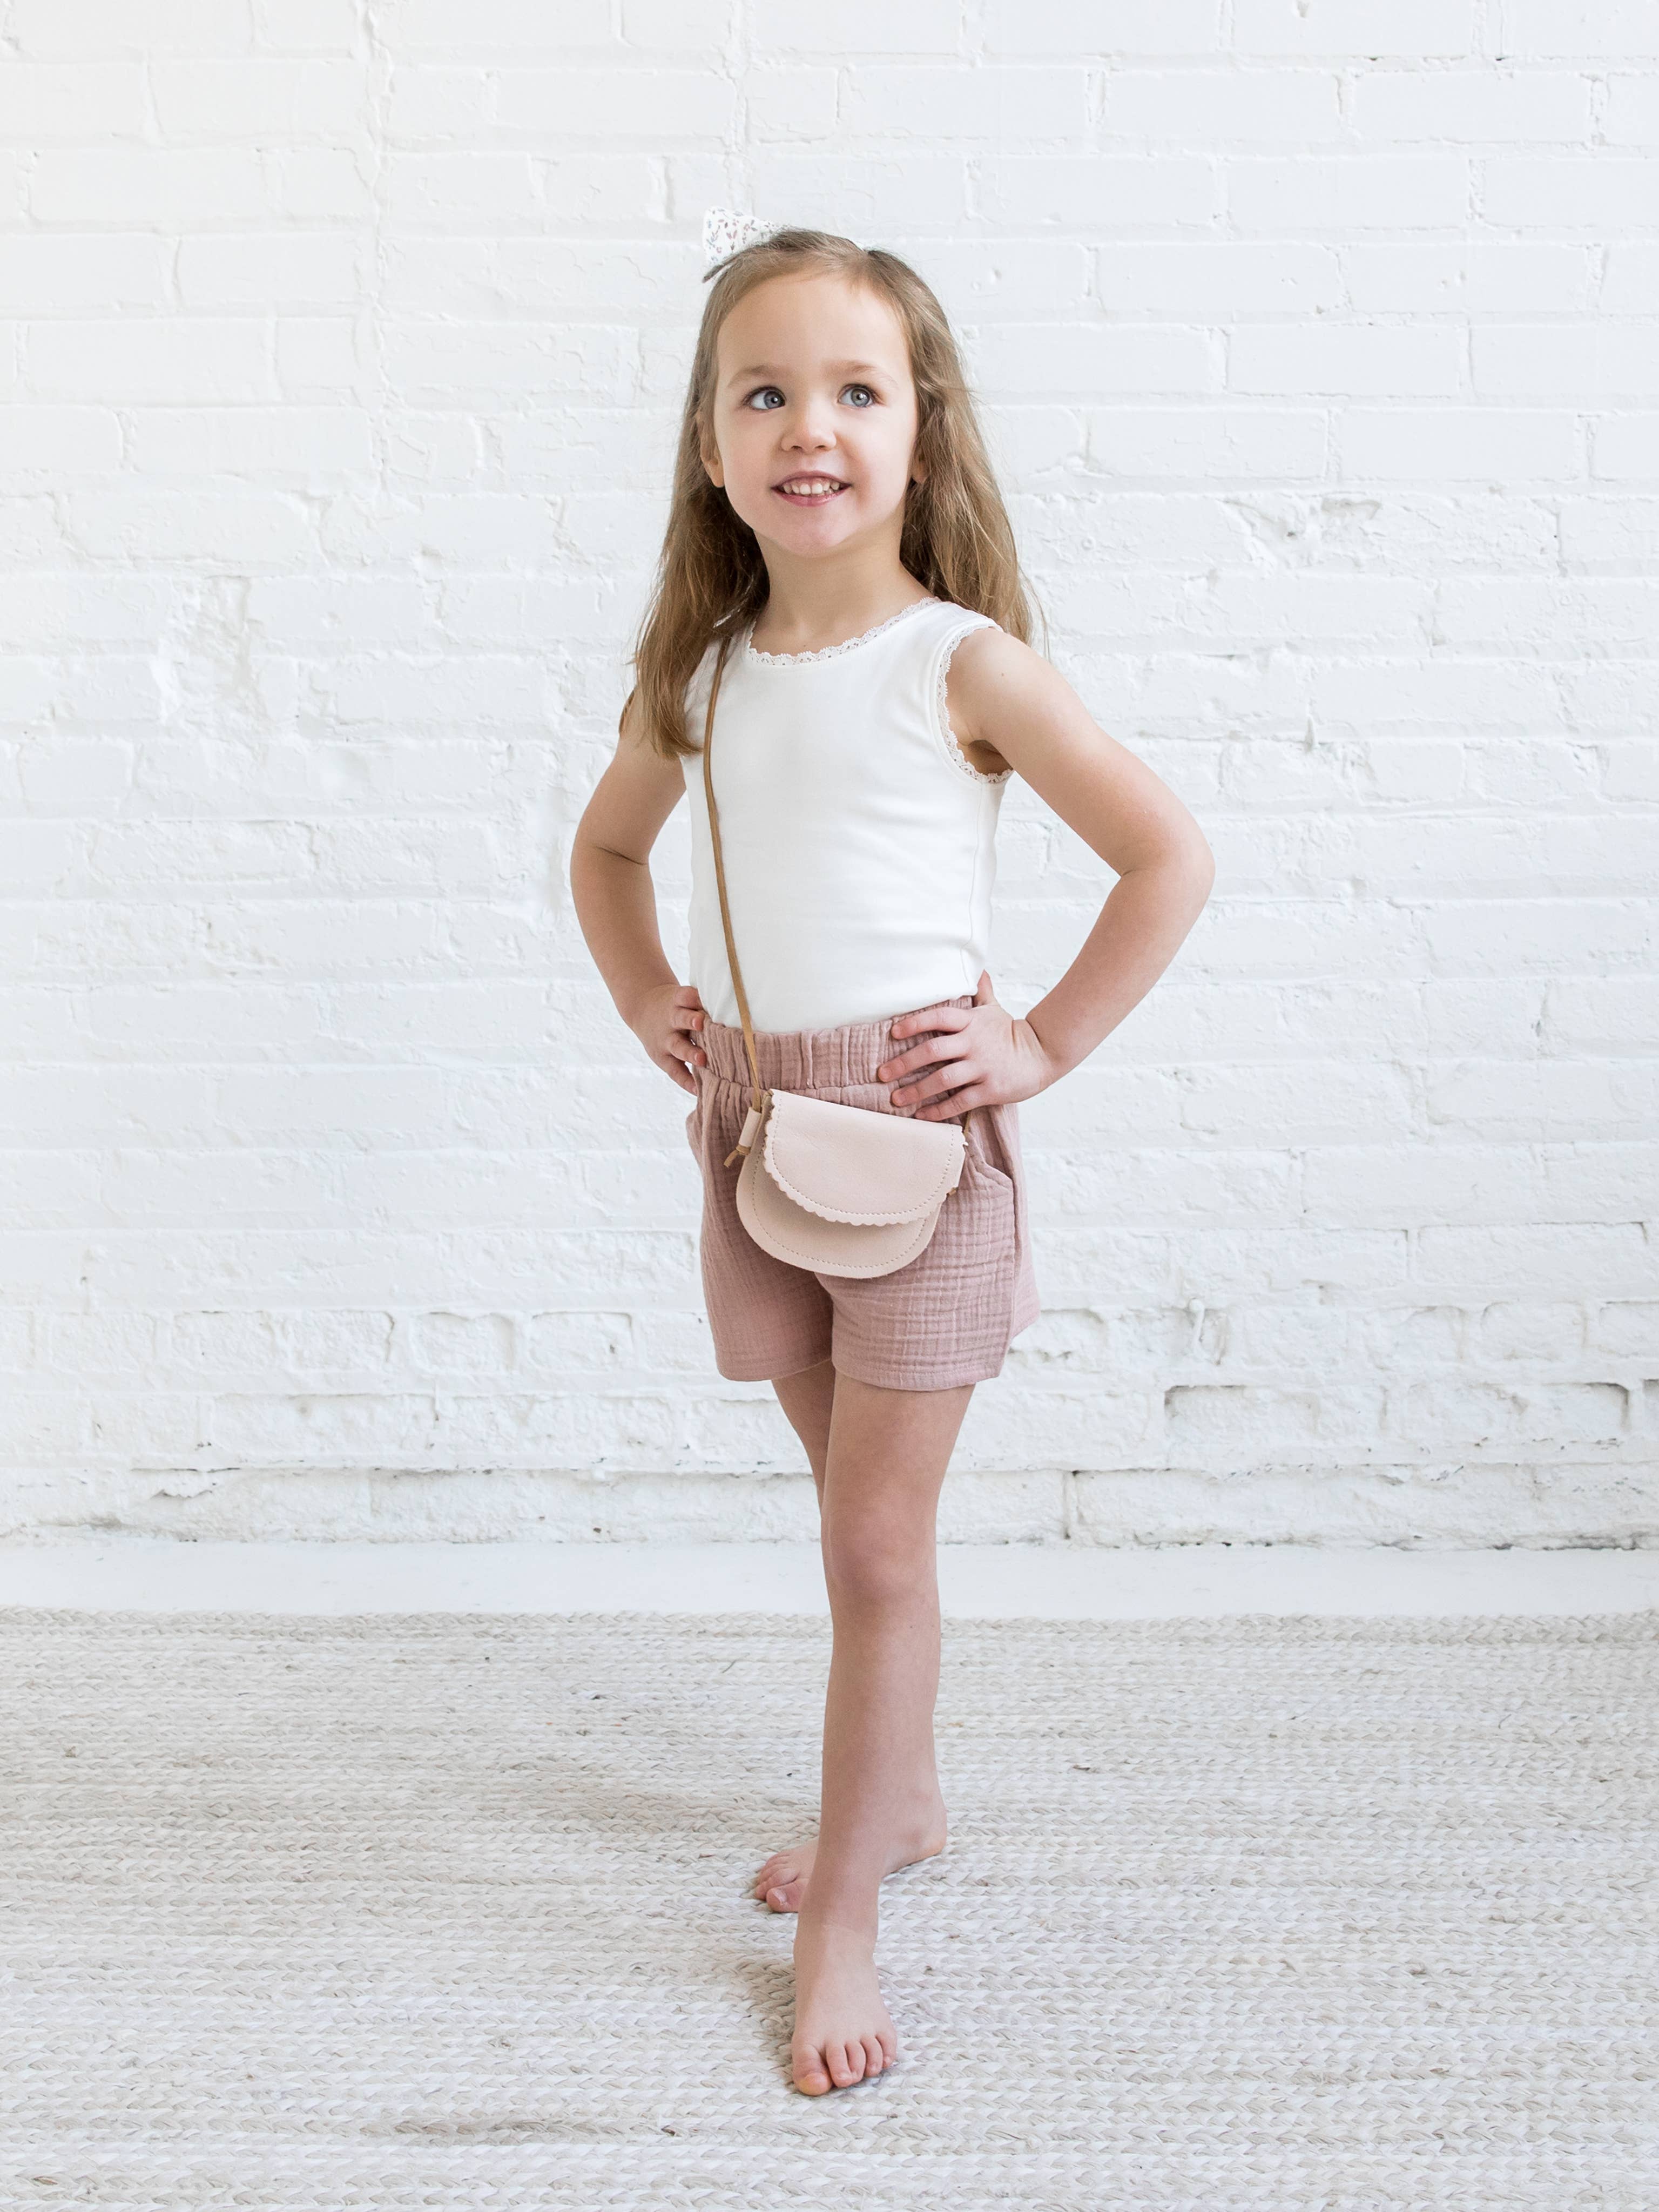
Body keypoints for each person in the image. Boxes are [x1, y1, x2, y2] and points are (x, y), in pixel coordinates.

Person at [569, 222, 1215, 2096]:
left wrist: (1043, 1041)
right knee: (851, 1519)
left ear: (920, 435)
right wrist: (650, 996)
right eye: (764, 392)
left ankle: (847, 1907)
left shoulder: (963, 664)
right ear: (711, 445)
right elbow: (607, 853)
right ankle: (905, 1794)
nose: (811, 427)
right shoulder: (701, 675)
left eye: (856, 391)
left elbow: (1167, 854)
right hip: (759, 1129)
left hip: (916, 1137)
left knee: (871, 1547)